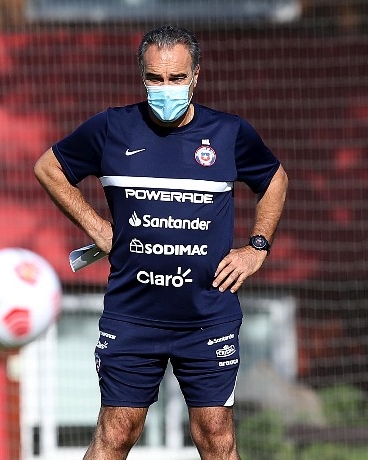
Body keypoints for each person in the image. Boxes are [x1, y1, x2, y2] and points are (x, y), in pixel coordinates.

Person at [34, 25, 288, 460]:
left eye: (175, 78)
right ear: (142, 77)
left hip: (207, 316)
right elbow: (48, 168)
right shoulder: (112, 128)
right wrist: (97, 227)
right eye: (155, 78)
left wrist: (257, 247)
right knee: (117, 433)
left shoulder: (228, 133)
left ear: (195, 77)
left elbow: (274, 179)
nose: (165, 88)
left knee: (216, 435)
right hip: (133, 315)